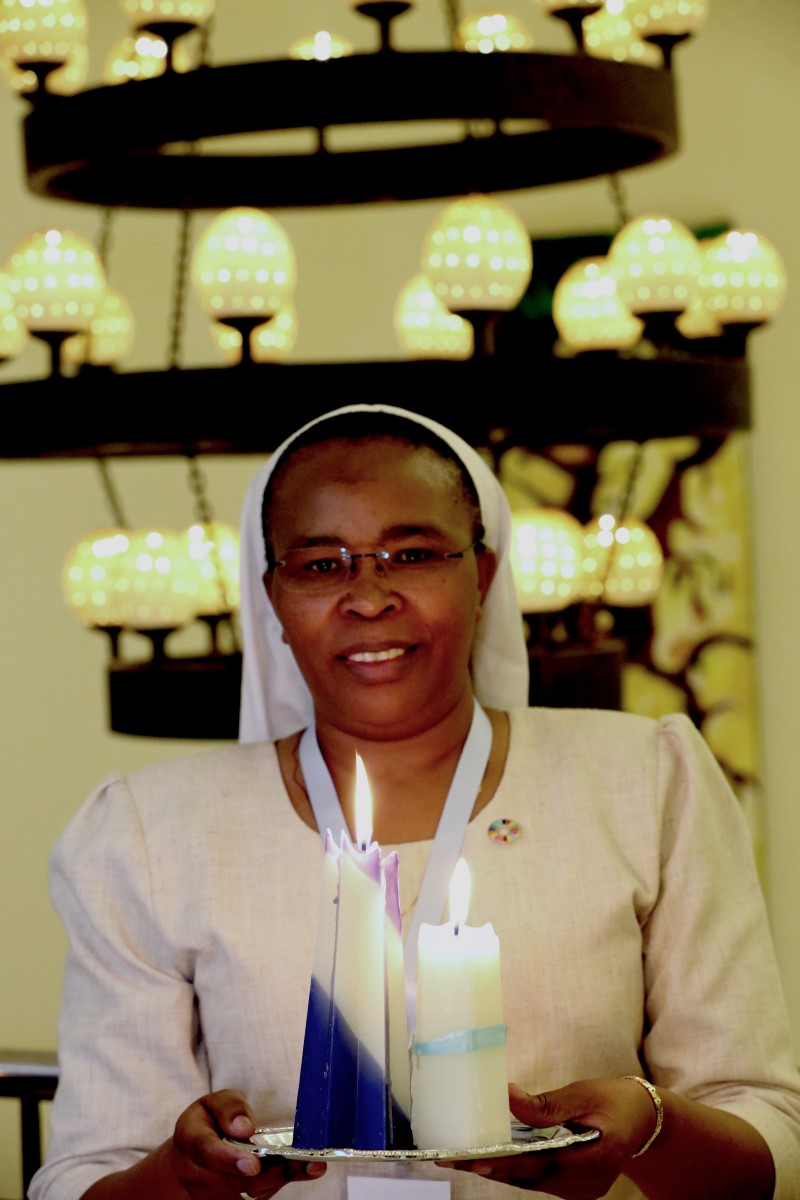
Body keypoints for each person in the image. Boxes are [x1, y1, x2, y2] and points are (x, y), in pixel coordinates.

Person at [31, 404, 800, 1200]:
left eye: (412, 553)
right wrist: (182, 1178)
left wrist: (651, 1126)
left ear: (484, 577)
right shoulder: (149, 833)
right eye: (322, 564)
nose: (369, 598)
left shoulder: (645, 779)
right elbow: (83, 1180)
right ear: (272, 599)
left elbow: (769, 1135)